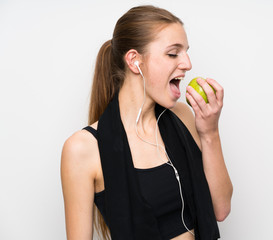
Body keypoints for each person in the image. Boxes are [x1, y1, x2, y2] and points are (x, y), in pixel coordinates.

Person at [61, 5, 233, 240]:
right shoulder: (83, 148)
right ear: (134, 61)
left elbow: (220, 209)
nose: (188, 64)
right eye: (173, 53)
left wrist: (210, 132)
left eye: (186, 52)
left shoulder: (183, 117)